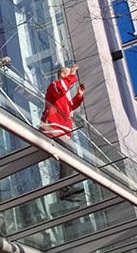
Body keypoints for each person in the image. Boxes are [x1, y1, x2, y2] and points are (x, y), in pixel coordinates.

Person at [39, 64, 86, 200]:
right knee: (68, 155)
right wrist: (72, 75)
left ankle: (66, 189)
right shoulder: (54, 85)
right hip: (52, 128)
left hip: (61, 131)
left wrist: (79, 96)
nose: (71, 77)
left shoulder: (63, 96)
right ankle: (64, 188)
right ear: (63, 75)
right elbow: (62, 87)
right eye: (68, 74)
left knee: (68, 157)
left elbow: (69, 107)